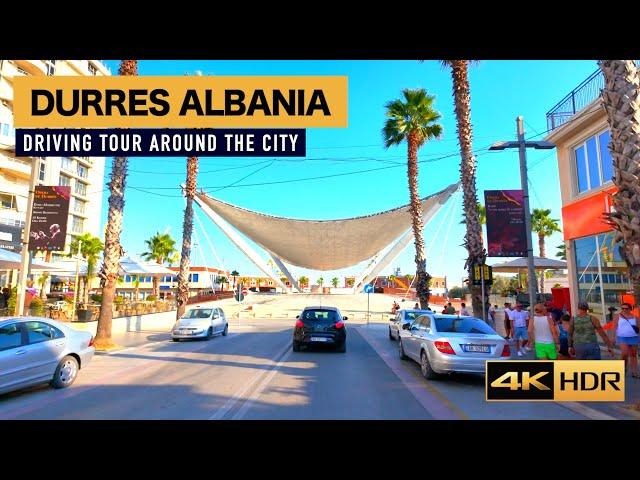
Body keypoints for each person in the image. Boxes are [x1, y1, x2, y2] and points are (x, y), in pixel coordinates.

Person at [611, 302, 639, 378]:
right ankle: (623, 368)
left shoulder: (635, 317)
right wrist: (613, 337)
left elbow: (638, 328)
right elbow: (614, 327)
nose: (624, 310)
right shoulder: (617, 316)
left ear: (630, 309)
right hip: (622, 337)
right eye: (622, 308)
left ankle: (634, 372)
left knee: (633, 355)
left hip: (634, 337)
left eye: (626, 308)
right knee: (624, 354)